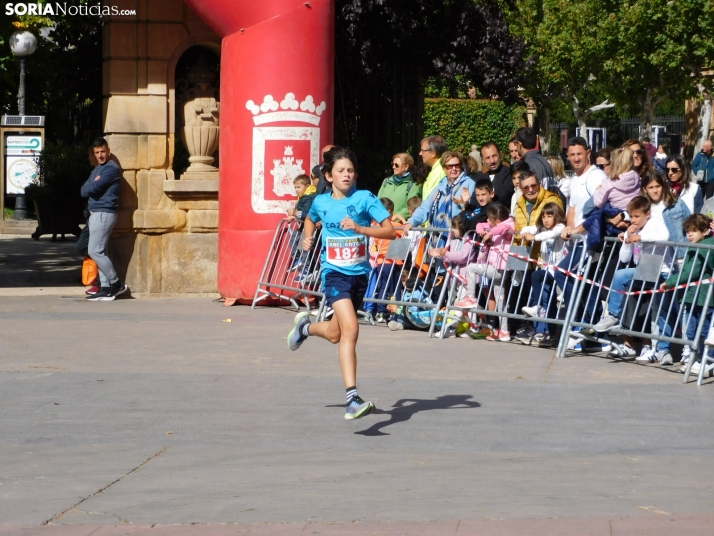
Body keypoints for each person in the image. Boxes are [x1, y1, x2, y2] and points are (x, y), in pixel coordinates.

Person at [287, 146, 396, 421]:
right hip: (333, 273)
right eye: (340, 171)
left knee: (336, 334)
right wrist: (307, 237)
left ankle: (306, 327)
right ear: (329, 175)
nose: (346, 175)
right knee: (352, 328)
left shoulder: (365, 198)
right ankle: (352, 398)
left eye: (350, 170)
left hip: (359, 274)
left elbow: (391, 231)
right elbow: (310, 220)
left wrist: (360, 229)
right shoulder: (321, 202)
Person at [592, 196, 669, 337]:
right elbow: (624, 258)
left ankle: (614, 315)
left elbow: (665, 236)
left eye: (637, 216)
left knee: (662, 311)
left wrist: (640, 238)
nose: (633, 220)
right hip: (645, 270)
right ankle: (614, 316)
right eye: (631, 216)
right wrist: (628, 238)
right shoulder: (633, 229)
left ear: (647, 214)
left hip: (661, 270)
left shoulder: (655, 223)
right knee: (621, 275)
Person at [637, 172, 691, 364]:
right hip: (652, 261)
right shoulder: (644, 208)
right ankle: (661, 349)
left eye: (657, 186)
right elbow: (634, 226)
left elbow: (690, 226)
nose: (654, 190)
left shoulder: (676, 205)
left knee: (683, 306)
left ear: (663, 186)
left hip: (677, 260)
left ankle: (687, 349)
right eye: (650, 187)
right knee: (659, 307)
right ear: (645, 189)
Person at [660, 213, 714, 374]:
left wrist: (669, 282)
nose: (690, 235)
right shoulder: (698, 246)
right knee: (691, 330)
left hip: (703, 297)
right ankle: (696, 359)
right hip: (694, 296)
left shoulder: (703, 248)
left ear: (704, 231)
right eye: (688, 231)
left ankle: (705, 360)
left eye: (694, 231)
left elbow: (691, 272)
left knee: (702, 330)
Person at [455, 204, 515, 341]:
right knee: (501, 301)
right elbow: (479, 225)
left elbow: (503, 227)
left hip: (499, 268)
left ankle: (471, 297)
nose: (487, 221)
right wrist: (483, 231)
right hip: (496, 268)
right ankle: (504, 331)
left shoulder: (508, 226)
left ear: (497, 221)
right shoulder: (495, 226)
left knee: (471, 268)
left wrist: (490, 232)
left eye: (490, 219)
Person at [80, 137, 128, 302]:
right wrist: (92, 184)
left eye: (102, 151)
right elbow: (84, 189)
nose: (100, 155)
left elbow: (92, 188)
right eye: (97, 152)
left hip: (103, 213)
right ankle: (106, 287)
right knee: (101, 251)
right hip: (96, 213)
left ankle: (116, 284)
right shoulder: (97, 170)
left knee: (95, 251)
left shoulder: (111, 169)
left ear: (108, 151)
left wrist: (92, 185)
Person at [516, 202, 567, 347]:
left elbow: (551, 234)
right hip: (547, 269)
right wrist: (524, 232)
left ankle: (558, 331)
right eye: (544, 216)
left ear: (557, 216)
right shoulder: (542, 228)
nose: (546, 219)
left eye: (549, 216)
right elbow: (529, 228)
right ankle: (545, 329)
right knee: (542, 289)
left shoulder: (560, 228)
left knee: (540, 280)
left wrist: (534, 238)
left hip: (561, 270)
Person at [403, 151, 475, 231]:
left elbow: (475, 210)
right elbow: (425, 207)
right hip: (437, 237)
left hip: (458, 236)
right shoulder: (440, 186)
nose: (454, 168)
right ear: (444, 168)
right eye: (450, 166)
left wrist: (465, 204)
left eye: (457, 165)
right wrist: (412, 222)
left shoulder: (469, 183)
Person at [365, 198, 404, 323]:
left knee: (382, 287)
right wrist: (402, 219)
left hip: (381, 261)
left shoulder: (377, 227)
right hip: (393, 260)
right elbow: (405, 230)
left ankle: (381, 312)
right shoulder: (396, 226)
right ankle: (395, 312)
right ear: (389, 212)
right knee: (395, 288)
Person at [513, 170, 564, 261]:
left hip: (545, 256)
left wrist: (534, 237)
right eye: (526, 188)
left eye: (533, 186)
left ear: (539, 184)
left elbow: (557, 226)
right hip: (523, 253)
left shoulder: (552, 200)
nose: (531, 190)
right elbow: (518, 229)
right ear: (521, 189)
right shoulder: (519, 203)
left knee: (537, 275)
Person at [377, 153, 421, 221]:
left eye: (396, 165)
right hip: (383, 222)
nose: (393, 167)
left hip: (400, 225)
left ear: (406, 166)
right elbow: (378, 201)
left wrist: (396, 217)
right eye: (392, 164)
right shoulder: (386, 181)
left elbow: (411, 207)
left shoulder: (414, 184)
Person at [470, 142, 514, 208]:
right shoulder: (482, 178)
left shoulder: (509, 173)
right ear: (483, 160)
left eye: (494, 156)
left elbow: (504, 197)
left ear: (499, 155)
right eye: (488, 158)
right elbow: (474, 200)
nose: (492, 161)